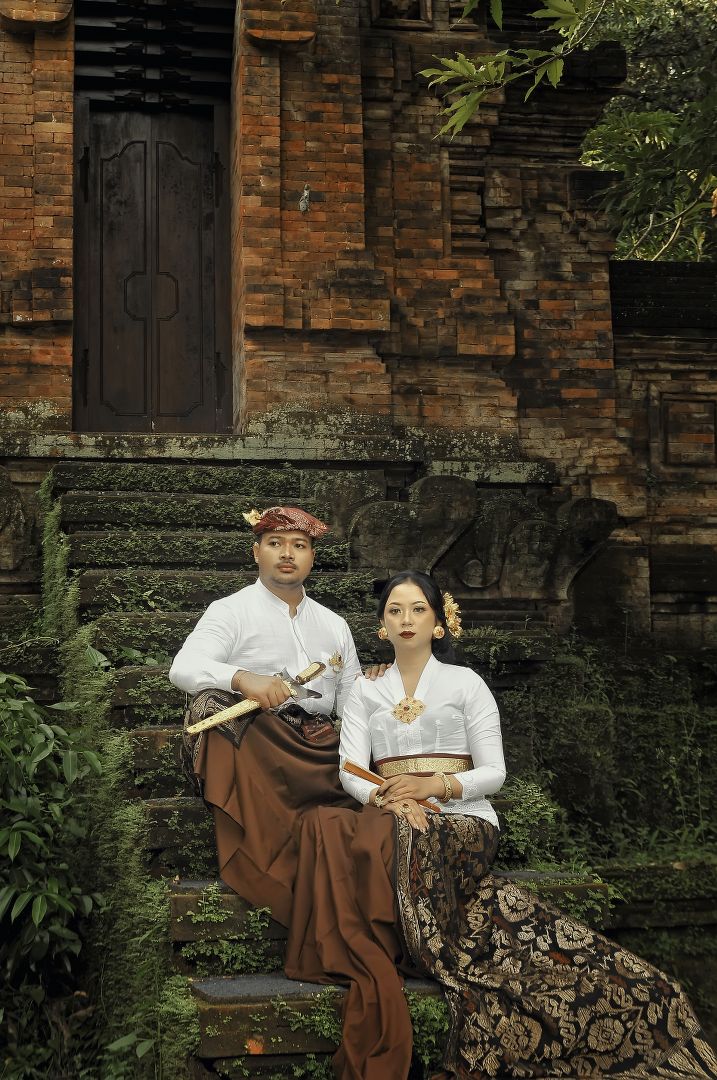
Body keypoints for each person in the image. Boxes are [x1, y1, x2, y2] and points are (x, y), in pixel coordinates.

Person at [283, 572, 717, 1079]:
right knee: (344, 826)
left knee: (400, 834)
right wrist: (389, 797)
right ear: (381, 625)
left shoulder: (466, 683)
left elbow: (495, 772)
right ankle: (398, 938)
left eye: (418, 609)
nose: (406, 620)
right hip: (395, 810)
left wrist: (436, 786)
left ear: (440, 622)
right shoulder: (365, 688)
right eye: (394, 611)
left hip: (466, 817)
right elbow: (351, 769)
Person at [169, 505, 364, 914]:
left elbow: (351, 705)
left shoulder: (335, 625)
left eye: (299, 545)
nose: (287, 553)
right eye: (275, 543)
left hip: (318, 752)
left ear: (312, 556)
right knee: (211, 706)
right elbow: (182, 668)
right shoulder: (230, 611)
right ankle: (263, 857)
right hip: (260, 743)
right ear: (257, 551)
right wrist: (243, 679)